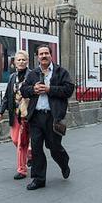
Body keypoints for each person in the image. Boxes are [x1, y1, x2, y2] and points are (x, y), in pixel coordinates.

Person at [20, 44, 74, 190]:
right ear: (37, 57)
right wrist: (33, 89)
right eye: (41, 54)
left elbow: (69, 89)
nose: (43, 56)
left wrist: (50, 89)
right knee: (36, 148)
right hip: (36, 117)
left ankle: (64, 163)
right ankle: (38, 179)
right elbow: (23, 90)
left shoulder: (61, 72)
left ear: (51, 55)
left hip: (53, 116)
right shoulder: (32, 74)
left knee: (54, 147)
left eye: (46, 53)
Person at [0, 50, 32, 179]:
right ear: (15, 62)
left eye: (23, 60)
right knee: (16, 140)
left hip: (27, 115)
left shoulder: (32, 75)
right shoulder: (12, 77)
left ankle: (22, 170)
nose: (21, 62)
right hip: (15, 114)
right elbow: (7, 96)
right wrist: (0, 111)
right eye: (19, 60)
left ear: (27, 61)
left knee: (22, 142)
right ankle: (30, 154)